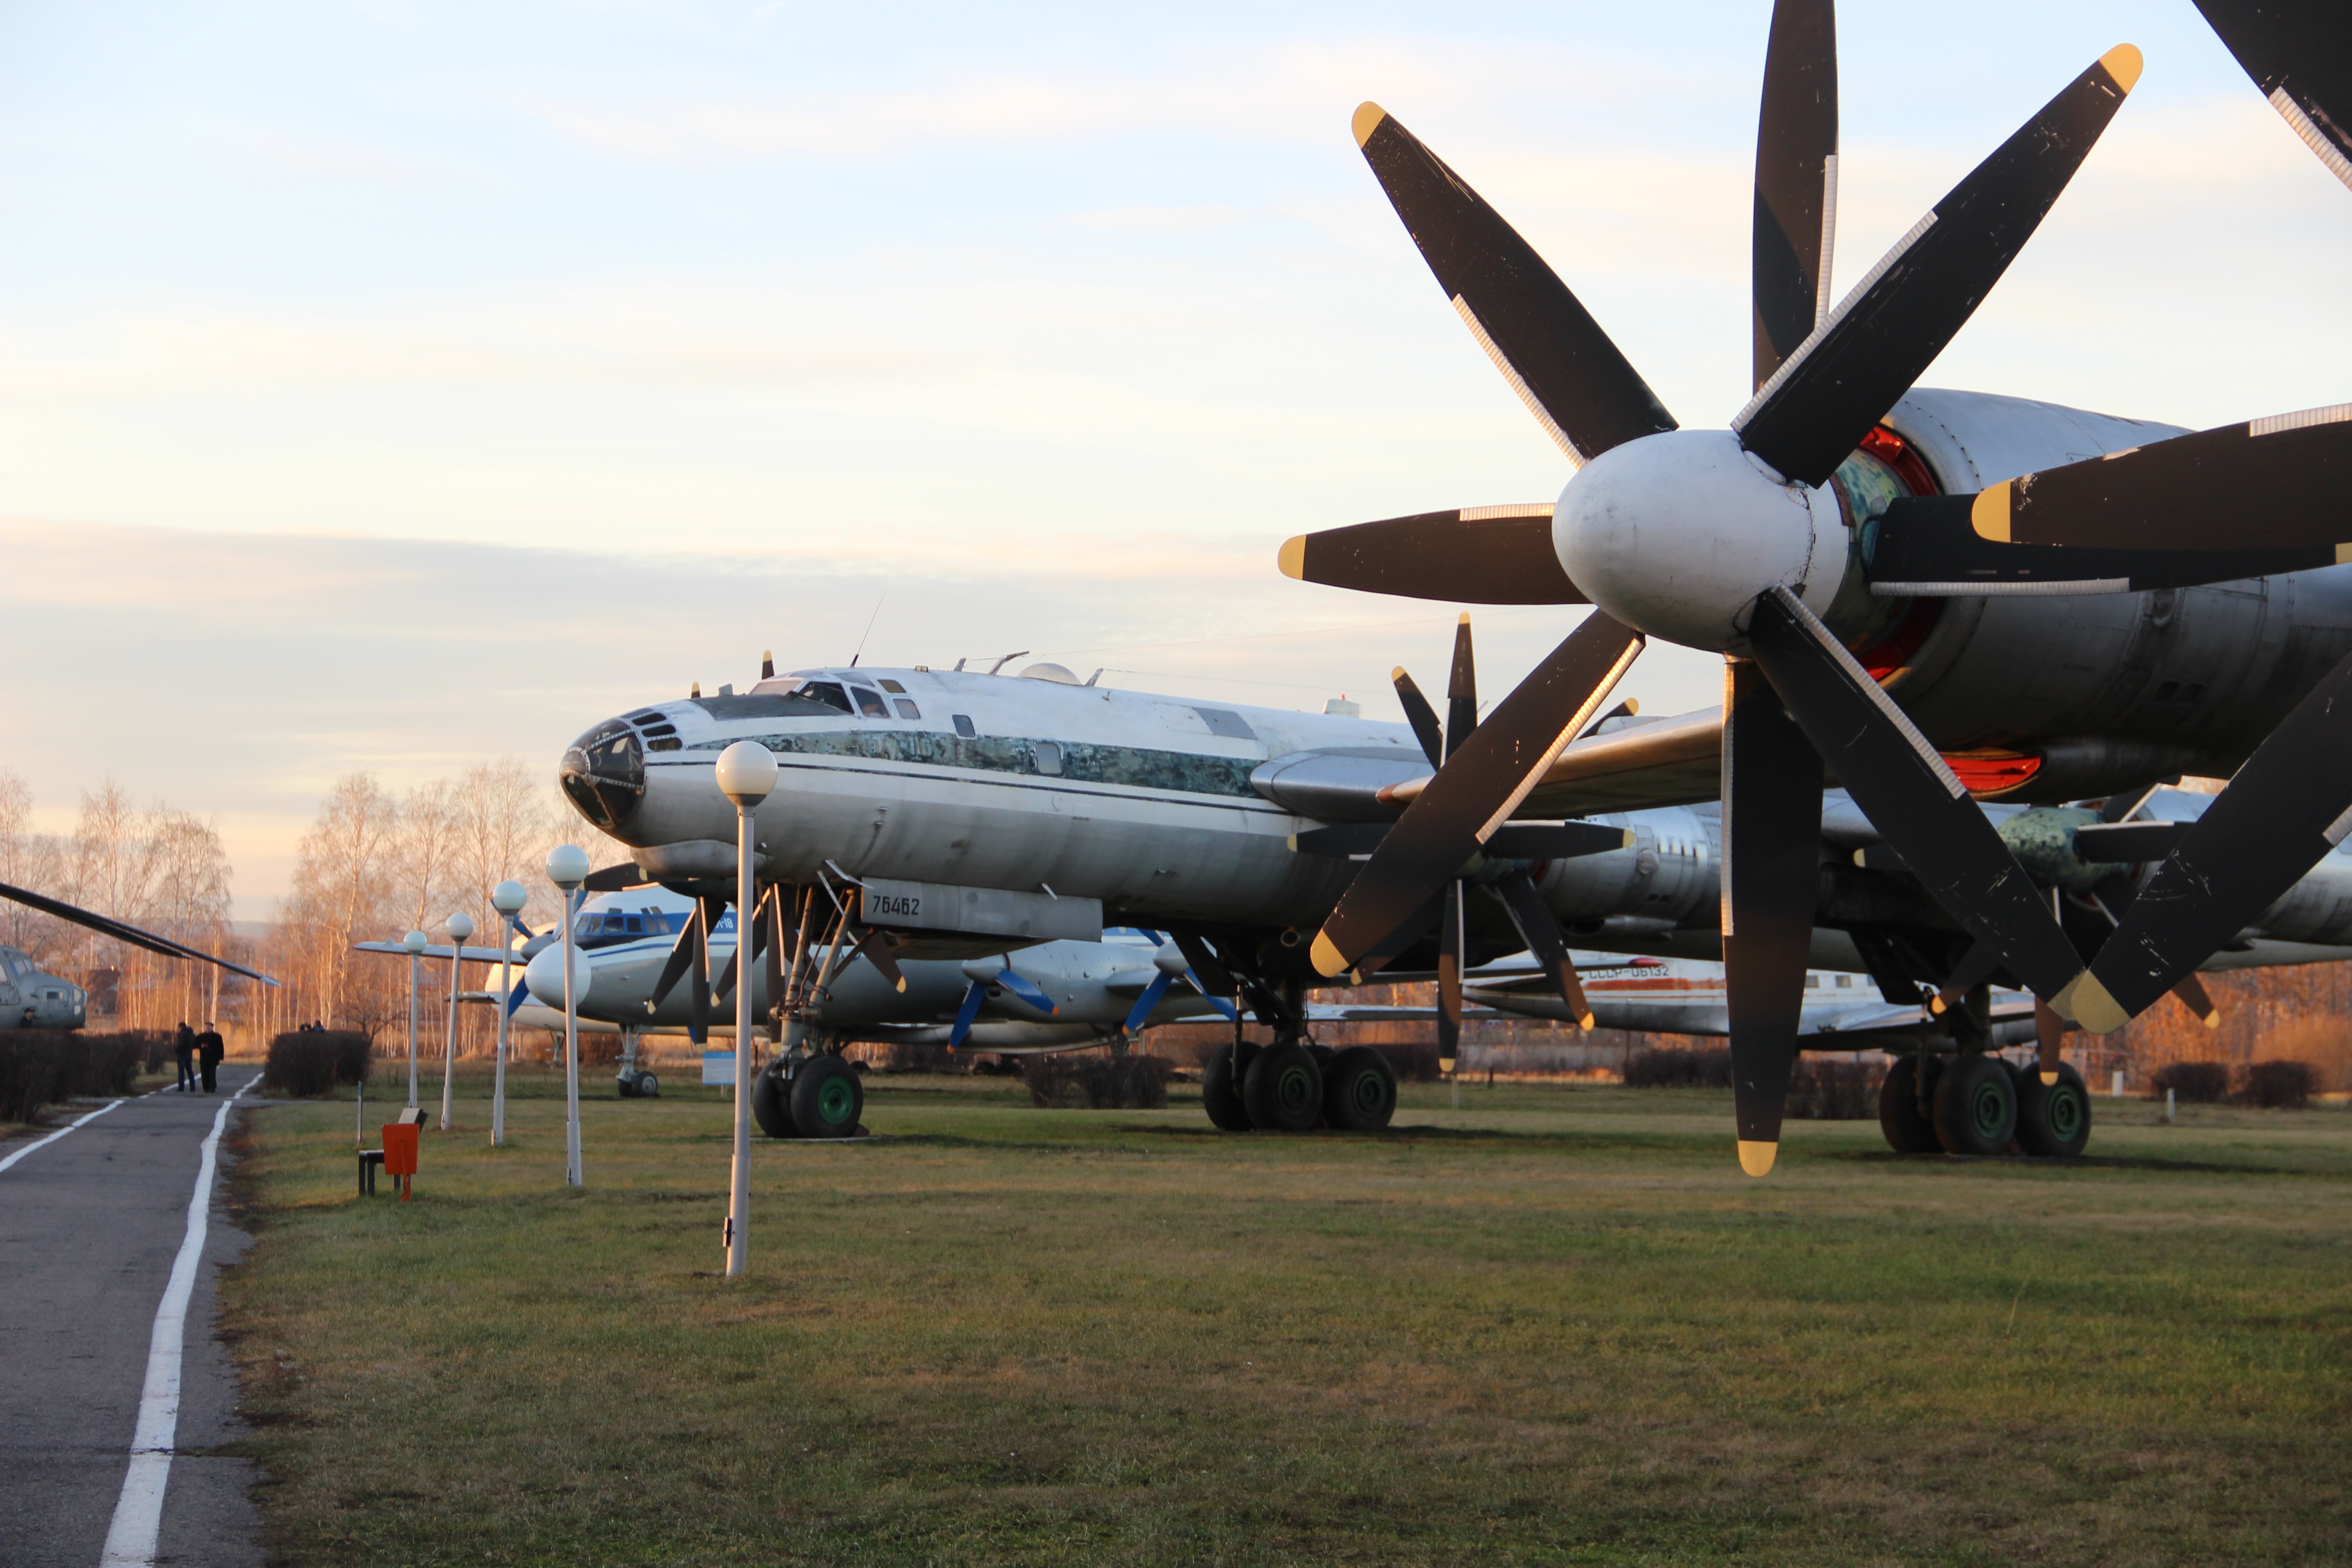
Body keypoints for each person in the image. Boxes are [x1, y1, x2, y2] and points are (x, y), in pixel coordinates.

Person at [196, 1022, 225, 1093]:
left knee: (212, 1074)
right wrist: (201, 1046)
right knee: (204, 1073)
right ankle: (206, 1088)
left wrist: (221, 1057)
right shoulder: (201, 1036)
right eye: (207, 1027)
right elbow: (194, 1044)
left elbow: (221, 1047)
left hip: (213, 1059)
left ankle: (212, 1087)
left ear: (212, 1028)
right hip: (204, 1058)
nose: (208, 1028)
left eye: (209, 1027)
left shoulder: (217, 1037)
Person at [173, 1023, 196, 1093]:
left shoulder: (183, 1035)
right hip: (189, 1054)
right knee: (190, 1071)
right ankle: (193, 1087)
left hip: (182, 1055)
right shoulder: (192, 1034)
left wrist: (176, 1049)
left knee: (181, 1072)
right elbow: (195, 1043)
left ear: (181, 1027)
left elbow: (181, 1046)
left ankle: (181, 1088)